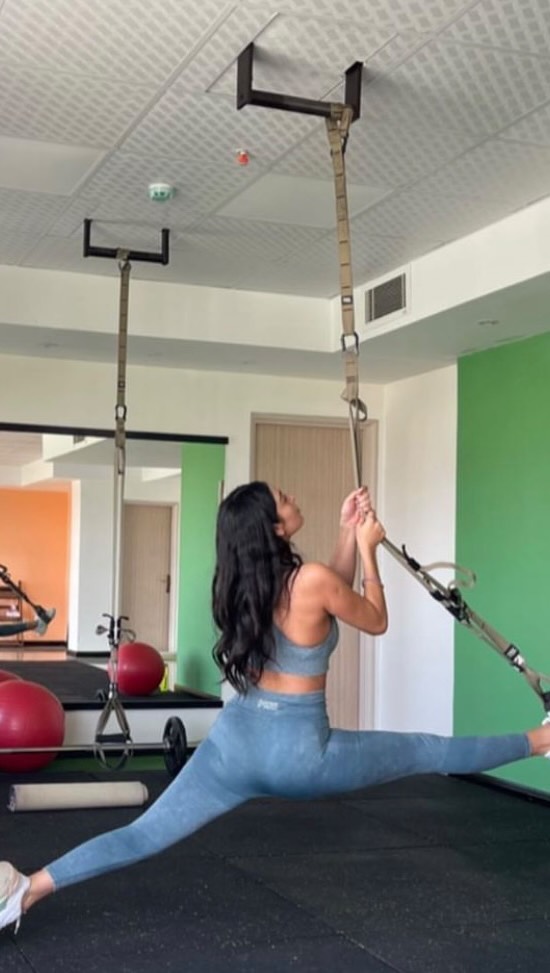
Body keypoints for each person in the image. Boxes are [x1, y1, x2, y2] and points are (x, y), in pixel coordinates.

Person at [1, 481, 548, 934]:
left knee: (144, 833)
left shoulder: (249, 585)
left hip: (233, 745)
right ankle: (542, 740)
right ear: (275, 528)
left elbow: (327, 595)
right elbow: (375, 619)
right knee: (427, 750)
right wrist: (368, 549)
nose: (291, 497)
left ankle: (27, 890)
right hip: (300, 756)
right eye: (282, 499)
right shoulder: (308, 581)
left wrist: (346, 530)